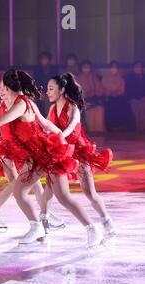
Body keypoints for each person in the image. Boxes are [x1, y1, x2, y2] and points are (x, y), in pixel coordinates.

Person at [0, 70, 104, 248]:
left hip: (45, 154)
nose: (1, 89)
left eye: (3, 85)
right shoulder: (16, 103)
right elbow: (42, 122)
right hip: (35, 157)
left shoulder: (21, 104)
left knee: (62, 197)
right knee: (21, 192)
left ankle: (92, 229)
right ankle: (37, 226)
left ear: (9, 86)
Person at [0, 80, 64, 232]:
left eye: (5, 88)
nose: (2, 91)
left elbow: (43, 121)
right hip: (5, 149)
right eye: (0, 88)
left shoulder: (24, 104)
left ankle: (43, 213)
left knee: (34, 182)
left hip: (22, 149)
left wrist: (59, 132)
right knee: (16, 184)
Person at [45, 73, 115, 236]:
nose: (47, 92)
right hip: (61, 152)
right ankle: (44, 218)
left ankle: (106, 220)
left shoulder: (72, 107)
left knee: (89, 193)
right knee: (50, 185)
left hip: (78, 153)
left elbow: (71, 127)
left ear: (61, 90)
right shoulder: (52, 108)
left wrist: (60, 135)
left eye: (51, 89)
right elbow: (46, 126)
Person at [125, 61, 145, 131]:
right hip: (133, 99)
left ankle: (142, 131)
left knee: (143, 115)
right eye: (136, 67)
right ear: (133, 68)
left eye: (139, 67)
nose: (138, 68)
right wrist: (131, 99)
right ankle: (136, 131)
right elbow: (128, 90)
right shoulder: (129, 78)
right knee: (135, 116)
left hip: (143, 99)